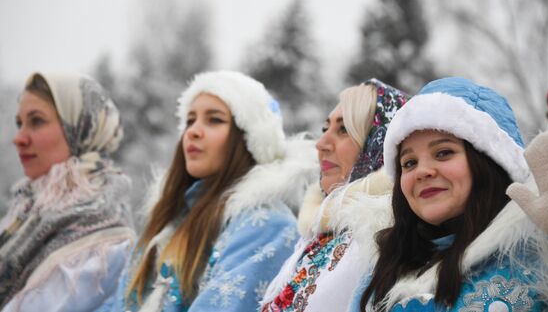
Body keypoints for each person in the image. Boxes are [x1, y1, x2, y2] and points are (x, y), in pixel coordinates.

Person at [99, 70, 317, 312]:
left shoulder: (268, 225)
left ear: (251, 138)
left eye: (214, 120)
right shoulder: (172, 219)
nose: (192, 131)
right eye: (190, 120)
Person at [354, 77, 548, 311]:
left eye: (443, 152)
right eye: (409, 163)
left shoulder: (537, 256)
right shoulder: (383, 266)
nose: (422, 172)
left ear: (489, 161)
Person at [261, 79, 408, 312]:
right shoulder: (317, 232)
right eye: (324, 129)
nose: (321, 144)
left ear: (379, 143)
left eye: (344, 130)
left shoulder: (379, 237)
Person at [0, 72, 135, 311]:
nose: (19, 138)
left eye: (37, 121)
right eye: (19, 123)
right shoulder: (27, 209)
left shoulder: (103, 237)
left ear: (81, 128)